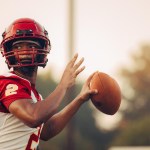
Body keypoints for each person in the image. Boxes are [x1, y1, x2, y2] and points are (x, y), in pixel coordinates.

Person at [0, 18, 98, 150]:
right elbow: (33, 117)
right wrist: (62, 85)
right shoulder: (7, 82)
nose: (25, 51)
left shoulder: (34, 97)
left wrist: (80, 99)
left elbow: (47, 130)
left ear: (43, 49)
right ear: (8, 51)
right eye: (18, 46)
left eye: (31, 46)